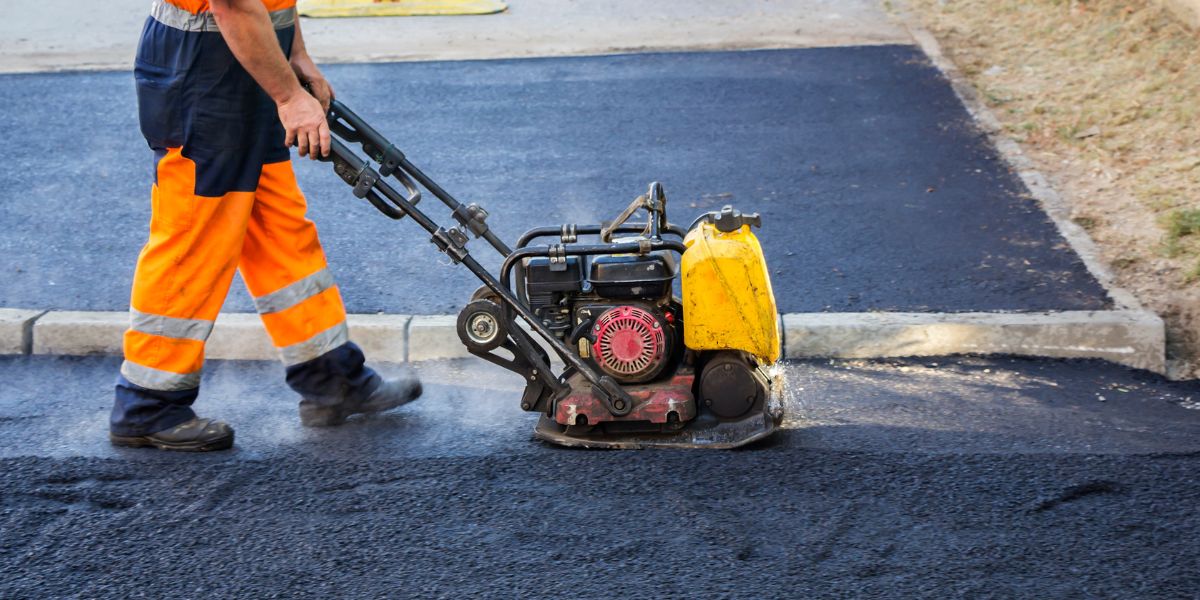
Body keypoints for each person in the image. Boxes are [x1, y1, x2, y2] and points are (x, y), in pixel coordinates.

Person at [109, 0, 421, 452]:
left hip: (248, 61)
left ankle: (331, 377)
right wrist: (290, 96)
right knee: (194, 238)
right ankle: (147, 403)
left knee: (280, 232)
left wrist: (295, 52)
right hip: (202, 71)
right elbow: (233, 4)